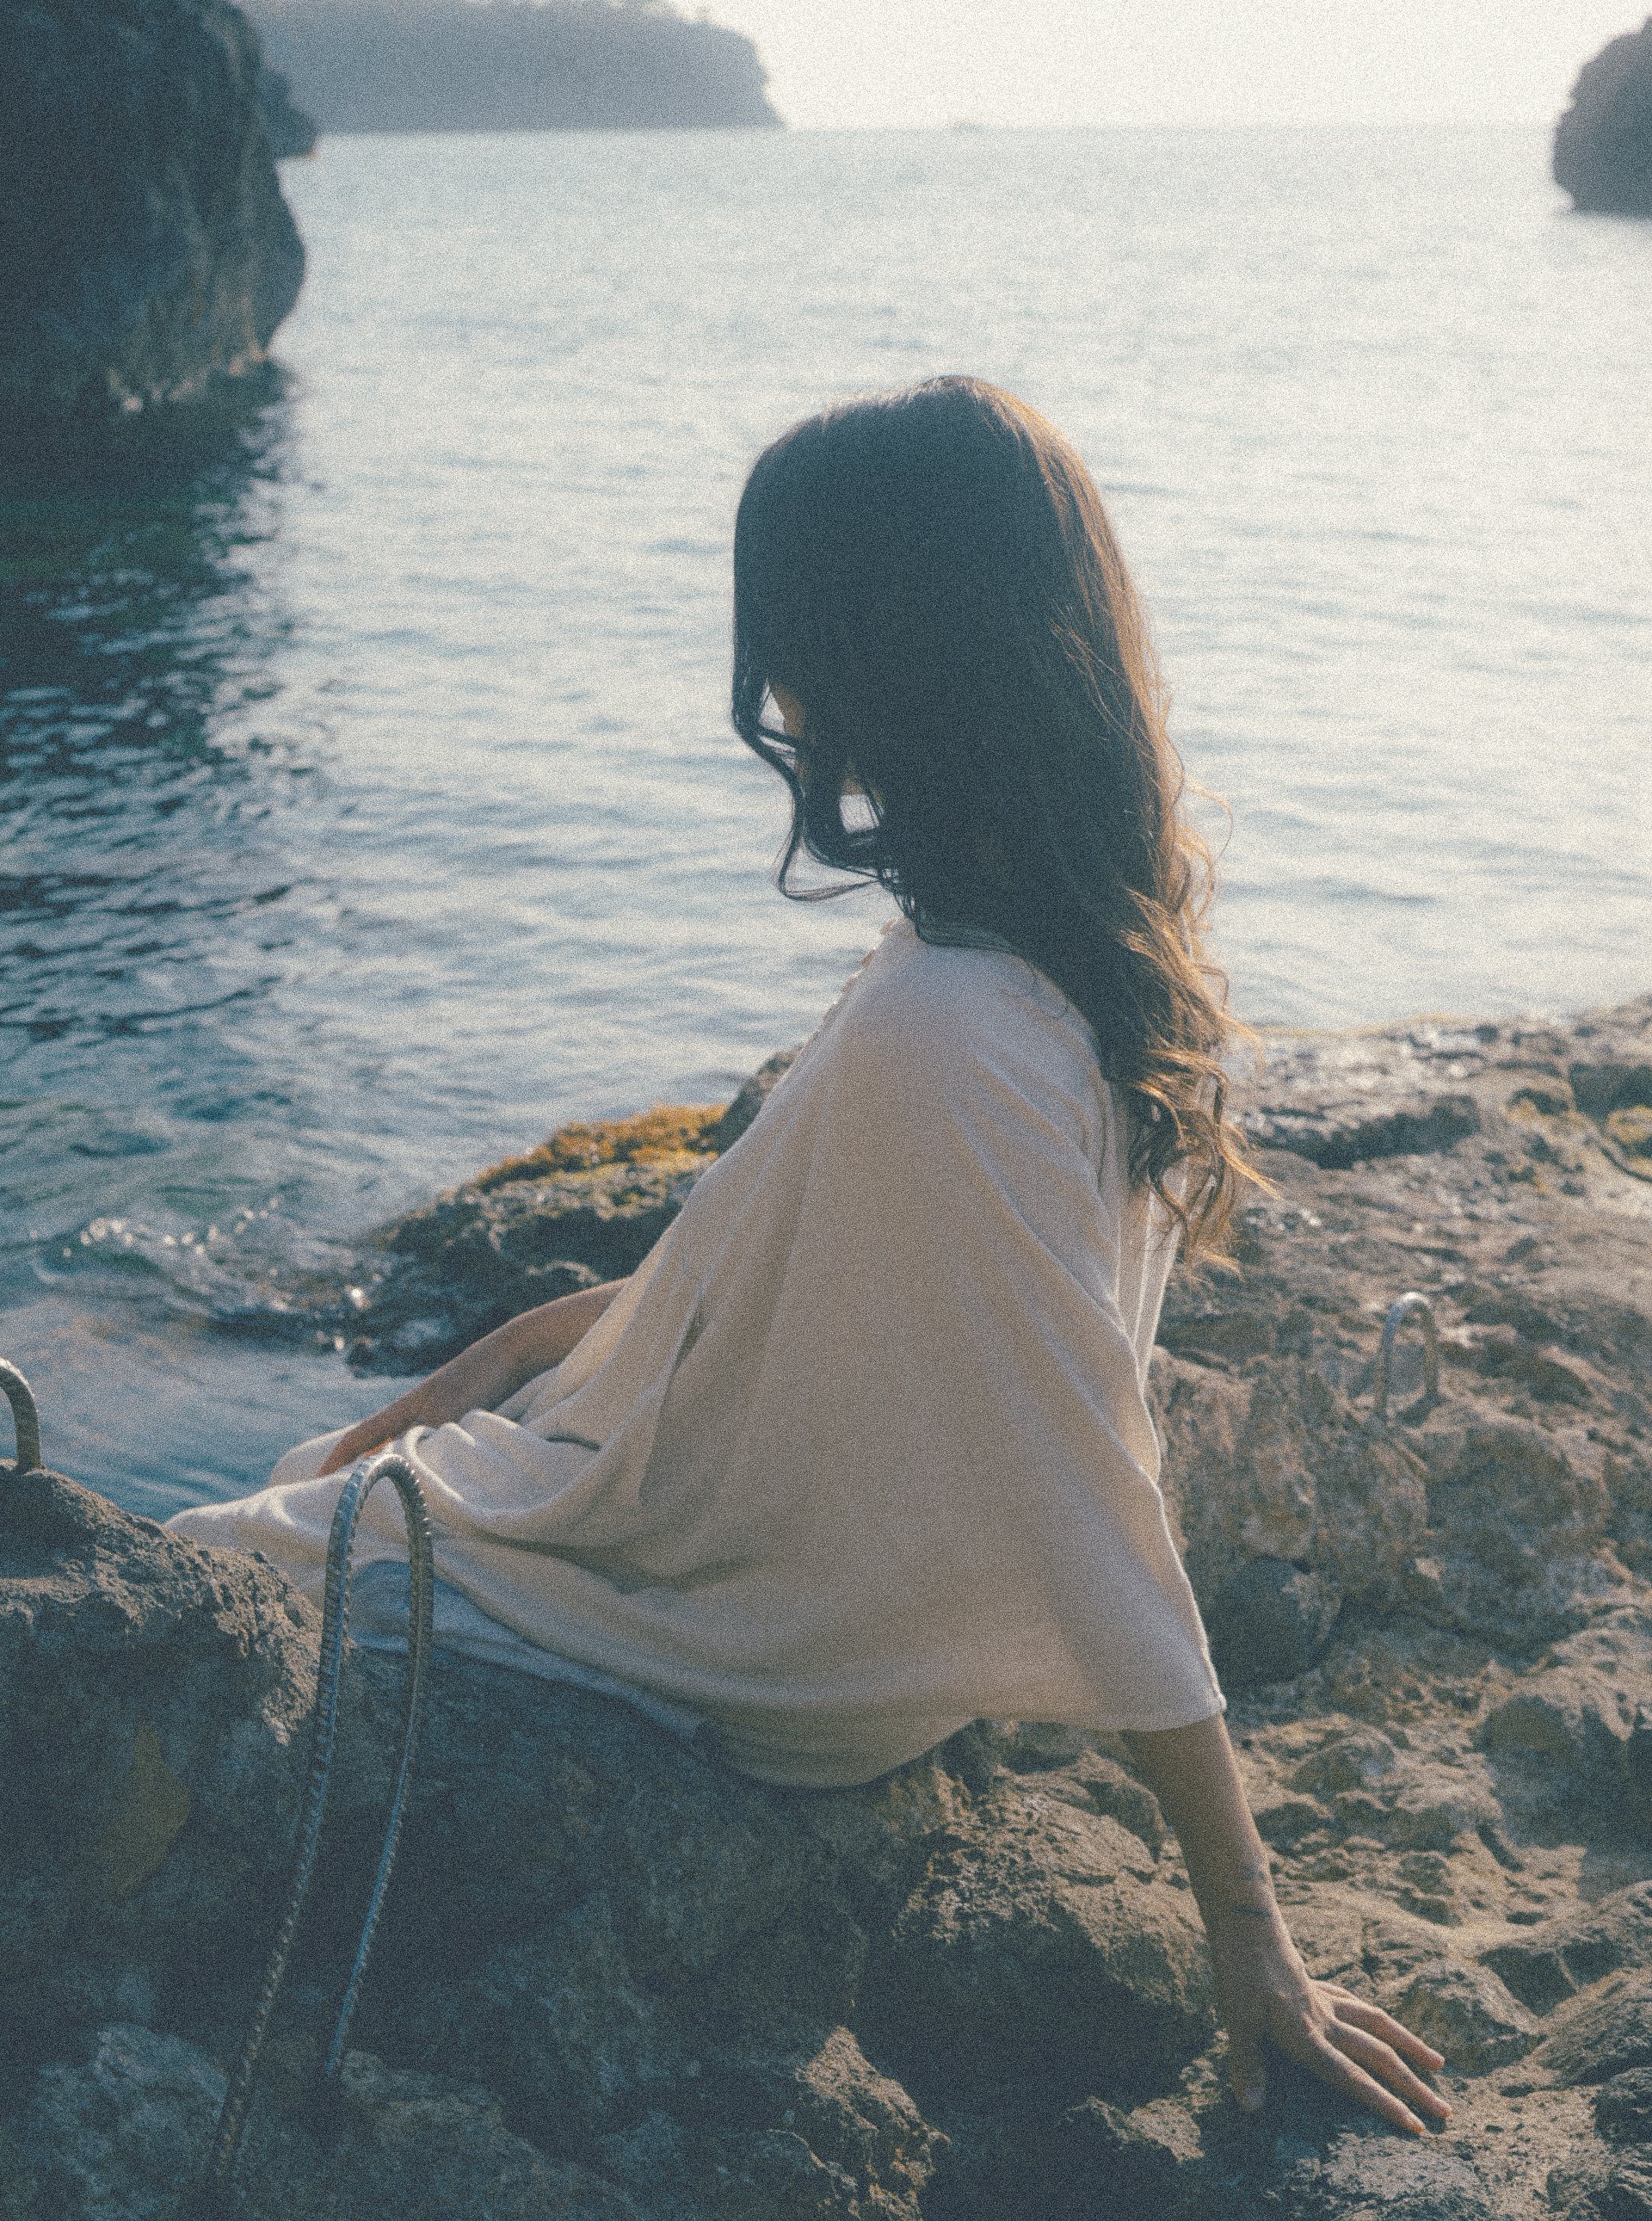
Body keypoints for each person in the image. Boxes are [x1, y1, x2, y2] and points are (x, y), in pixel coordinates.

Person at [168, 378, 1449, 2136]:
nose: (777, 698)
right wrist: (483, 1367)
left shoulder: (946, 1028)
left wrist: (1254, 1936)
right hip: (763, 1581)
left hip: (724, 1631)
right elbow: (819, 1281)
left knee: (173, 1573)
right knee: (305, 1494)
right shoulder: (1073, 975)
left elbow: (1095, 1493)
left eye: (798, 645)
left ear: (892, 659)